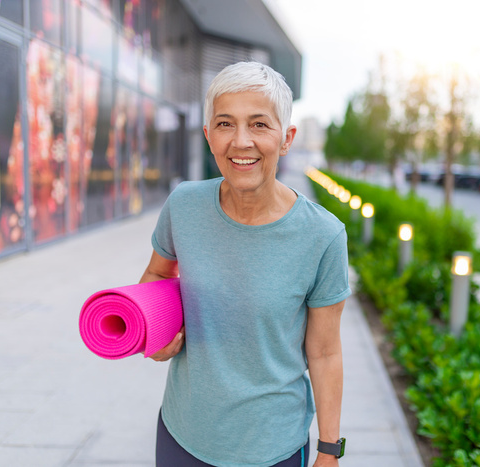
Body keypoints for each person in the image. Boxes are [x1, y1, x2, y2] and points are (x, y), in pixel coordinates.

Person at [139, 61, 351, 467]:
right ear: (208, 136)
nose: (240, 141)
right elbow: (156, 275)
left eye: (258, 124)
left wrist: (329, 450)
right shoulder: (183, 205)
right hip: (182, 435)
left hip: (273, 448)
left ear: (286, 138)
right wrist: (154, 332)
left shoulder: (323, 236)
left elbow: (324, 352)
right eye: (224, 124)